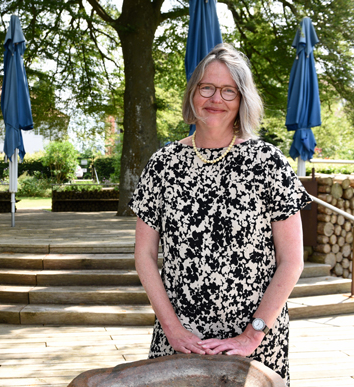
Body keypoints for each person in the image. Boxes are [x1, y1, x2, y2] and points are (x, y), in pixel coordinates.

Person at [129, 43, 311, 386]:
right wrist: (172, 329)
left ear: (242, 99)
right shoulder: (162, 164)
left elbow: (292, 260)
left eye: (229, 90)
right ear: (193, 93)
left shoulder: (268, 163)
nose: (216, 98)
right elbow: (144, 254)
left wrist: (252, 335)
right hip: (181, 338)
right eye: (207, 87)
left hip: (255, 341)